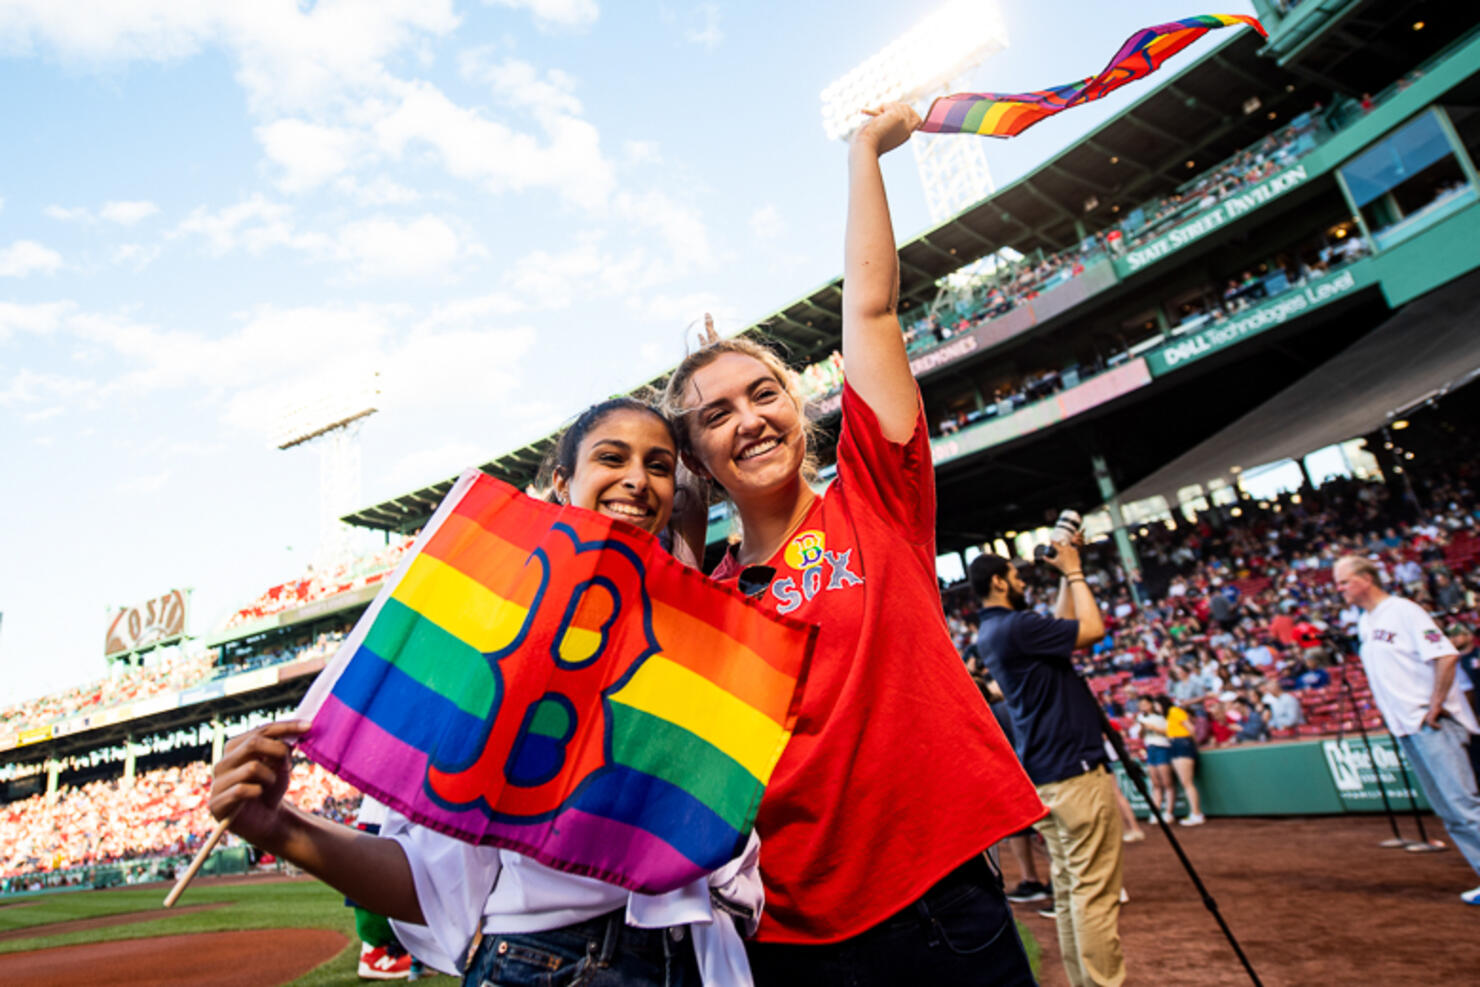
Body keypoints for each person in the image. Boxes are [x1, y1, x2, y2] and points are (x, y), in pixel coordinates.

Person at [661, 101, 1043, 985]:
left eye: (765, 393)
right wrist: (680, 511)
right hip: (790, 938)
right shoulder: (702, 597)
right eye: (716, 415)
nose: (751, 420)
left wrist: (865, 151)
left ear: (799, 403)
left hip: (941, 907)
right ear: (695, 458)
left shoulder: (876, 497)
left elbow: (871, 310)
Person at [209, 398, 763, 986]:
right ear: (561, 481)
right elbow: (425, 882)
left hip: (702, 959)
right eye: (611, 457)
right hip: (554, 962)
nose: (636, 478)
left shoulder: (688, 627)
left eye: (658, 465)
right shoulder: (492, 634)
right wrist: (279, 829)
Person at [971, 548, 1126, 987]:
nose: (1021, 579)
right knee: (1093, 895)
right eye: (1014, 574)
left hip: (1047, 775)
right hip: (1074, 771)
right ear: (998, 582)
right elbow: (1091, 630)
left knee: (1076, 893)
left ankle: (1085, 982)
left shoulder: (996, 630)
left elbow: (1057, 626)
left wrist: (1062, 578)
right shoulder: (1017, 626)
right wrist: (1075, 572)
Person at [1334, 555, 1480, 905]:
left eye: (1343, 582)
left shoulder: (1403, 610)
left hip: (1431, 723)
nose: (1339, 590)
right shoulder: (1366, 622)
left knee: (1464, 805)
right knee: (1449, 810)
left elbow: (1445, 656)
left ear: (1365, 579)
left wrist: (1435, 705)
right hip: (1407, 727)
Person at [1161, 696, 1206, 826]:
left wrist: (1194, 744)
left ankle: (1196, 813)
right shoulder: (1169, 715)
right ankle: (1195, 813)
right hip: (1176, 744)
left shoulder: (1174, 710)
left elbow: (1190, 728)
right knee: (1185, 782)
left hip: (1182, 743)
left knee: (1187, 782)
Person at [1136, 696, 1175, 819]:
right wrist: (1143, 727)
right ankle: (1156, 811)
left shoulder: (1161, 717)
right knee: (1155, 783)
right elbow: (1140, 735)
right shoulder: (1141, 718)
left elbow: (1168, 732)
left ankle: (1169, 812)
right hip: (1150, 748)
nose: (1143, 706)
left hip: (1162, 747)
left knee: (1167, 782)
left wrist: (1153, 728)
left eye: (1145, 703)